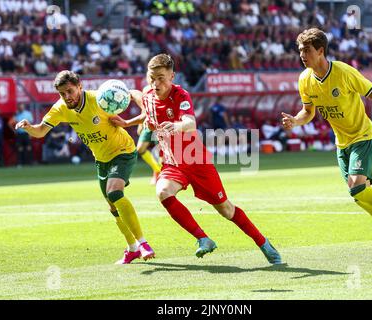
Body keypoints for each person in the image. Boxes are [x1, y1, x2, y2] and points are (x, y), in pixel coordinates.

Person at [110, 54, 281, 264]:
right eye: (152, 77)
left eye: (161, 78)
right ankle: (203, 238)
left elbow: (190, 122)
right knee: (162, 191)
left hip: (196, 162)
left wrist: (177, 126)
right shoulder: (149, 95)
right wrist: (127, 121)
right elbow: (141, 101)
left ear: (172, 76)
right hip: (173, 163)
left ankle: (263, 243)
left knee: (226, 209)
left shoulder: (181, 95)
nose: (156, 83)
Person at [281, 28, 372, 257]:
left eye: (306, 50)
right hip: (342, 144)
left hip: (363, 136)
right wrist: (296, 121)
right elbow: (308, 112)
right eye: (300, 51)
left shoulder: (343, 72)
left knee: (357, 187)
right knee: (359, 196)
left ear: (320, 51)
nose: (302, 55)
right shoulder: (305, 79)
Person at [14, 70, 155, 264]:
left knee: (114, 192)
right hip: (101, 159)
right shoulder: (61, 108)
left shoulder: (99, 98)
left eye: (70, 91)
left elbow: (133, 92)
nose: (67, 97)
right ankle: (132, 248)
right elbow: (40, 132)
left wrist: (144, 111)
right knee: (112, 207)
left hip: (123, 151)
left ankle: (143, 243)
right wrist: (29, 127)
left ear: (80, 86)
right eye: (62, 93)